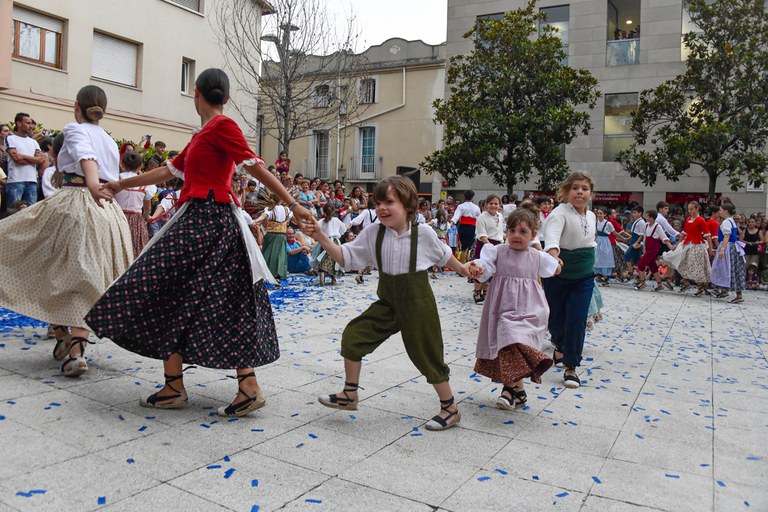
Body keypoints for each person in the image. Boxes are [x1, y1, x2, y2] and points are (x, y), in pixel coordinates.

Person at [86, 68, 313, 417]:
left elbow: (254, 167)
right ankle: (188, 385)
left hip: (209, 220)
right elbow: (169, 172)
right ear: (227, 96)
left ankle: (208, 386)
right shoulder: (202, 135)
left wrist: (293, 204)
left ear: (196, 93)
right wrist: (120, 185)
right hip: (201, 220)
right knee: (190, 295)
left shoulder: (223, 127)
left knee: (172, 289)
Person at [311, 176, 471, 431]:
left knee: (426, 353)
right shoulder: (373, 232)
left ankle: (450, 408)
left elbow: (445, 256)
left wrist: (464, 269)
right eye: (377, 203)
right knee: (353, 336)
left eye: (389, 202)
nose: (381, 208)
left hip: (418, 302)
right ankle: (349, 395)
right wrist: (321, 236)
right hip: (388, 300)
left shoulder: (424, 233)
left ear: (408, 206)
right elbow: (345, 257)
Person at [0, 86, 133, 377]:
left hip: (79, 202)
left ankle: (71, 343)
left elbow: (87, 158)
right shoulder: (109, 140)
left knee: (51, 265)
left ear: (77, 106)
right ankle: (70, 340)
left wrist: (93, 184)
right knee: (86, 275)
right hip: (109, 213)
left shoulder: (75, 129)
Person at [468, 209, 559, 409]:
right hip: (502, 308)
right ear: (505, 232)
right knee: (507, 341)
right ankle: (516, 390)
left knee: (514, 343)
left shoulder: (536, 256)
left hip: (530, 309)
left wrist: (557, 263)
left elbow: (553, 268)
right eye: (512, 230)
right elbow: (486, 265)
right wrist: (479, 267)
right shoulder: (498, 251)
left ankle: (509, 389)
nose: (516, 235)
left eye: (523, 231)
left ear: (533, 235)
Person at [540, 171, 596, 389]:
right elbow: (551, 240)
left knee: (577, 318)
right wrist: (554, 257)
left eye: (584, 188)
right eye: (575, 188)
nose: (580, 192)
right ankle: (560, 345)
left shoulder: (590, 216)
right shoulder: (558, 213)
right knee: (556, 318)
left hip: (584, 276)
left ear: (590, 193)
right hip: (558, 274)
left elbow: (590, 242)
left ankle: (571, 366)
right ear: (566, 191)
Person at [664, 202, 712, 296]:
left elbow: (707, 235)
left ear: (697, 208)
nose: (690, 211)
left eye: (692, 209)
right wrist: (678, 244)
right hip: (687, 244)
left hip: (697, 245)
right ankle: (686, 282)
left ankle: (700, 287)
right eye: (689, 209)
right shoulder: (688, 219)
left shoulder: (701, 220)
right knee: (680, 261)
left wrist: (710, 248)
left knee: (696, 265)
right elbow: (684, 233)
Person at [115, 150, 156, 258]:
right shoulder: (145, 185)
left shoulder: (115, 179)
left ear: (122, 164)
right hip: (136, 221)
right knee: (135, 250)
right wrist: (145, 218)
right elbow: (147, 209)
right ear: (140, 166)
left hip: (115, 217)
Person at [5, 112, 45, 208]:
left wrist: (22, 155)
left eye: (31, 123)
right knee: (13, 211)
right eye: (27, 123)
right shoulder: (11, 138)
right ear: (18, 124)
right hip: (16, 180)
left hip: (32, 180)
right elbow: (16, 159)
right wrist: (34, 160)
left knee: (31, 212)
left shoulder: (34, 142)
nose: (30, 126)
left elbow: (40, 160)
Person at [471, 194, 504, 303]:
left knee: (491, 270)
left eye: (496, 203)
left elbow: (500, 232)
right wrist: (490, 247)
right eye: (491, 203)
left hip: (497, 244)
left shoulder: (500, 216)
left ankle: (486, 292)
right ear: (486, 205)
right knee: (480, 269)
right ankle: (476, 292)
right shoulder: (482, 217)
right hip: (484, 244)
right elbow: (482, 235)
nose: (493, 206)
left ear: (499, 205)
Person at [711, 203, 745, 303]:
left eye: (721, 210)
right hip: (733, 247)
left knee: (727, 269)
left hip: (728, 247)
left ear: (726, 211)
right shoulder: (731, 221)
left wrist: (722, 249)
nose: (719, 212)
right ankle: (725, 290)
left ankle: (736, 294)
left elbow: (727, 236)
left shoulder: (726, 222)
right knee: (730, 269)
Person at [634, 210, 674, 291]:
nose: (645, 218)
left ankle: (642, 282)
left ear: (652, 218)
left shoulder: (657, 226)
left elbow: (664, 238)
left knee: (641, 265)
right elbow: (645, 238)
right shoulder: (646, 226)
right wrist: (641, 245)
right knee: (653, 266)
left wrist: (671, 247)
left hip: (653, 249)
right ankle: (659, 284)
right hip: (648, 249)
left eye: (647, 216)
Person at [260, 192, 292, 284]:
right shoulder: (286, 209)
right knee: (279, 255)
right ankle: (277, 274)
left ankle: (268, 273)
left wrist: (256, 221)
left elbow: (264, 216)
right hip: (281, 235)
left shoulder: (270, 209)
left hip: (271, 235)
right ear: (281, 200)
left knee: (269, 255)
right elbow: (292, 218)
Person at [311, 203, 346, 285]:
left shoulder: (321, 221)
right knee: (334, 259)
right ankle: (333, 277)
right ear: (333, 211)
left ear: (324, 211)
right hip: (335, 241)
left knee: (324, 257)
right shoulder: (337, 220)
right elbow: (343, 229)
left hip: (325, 241)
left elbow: (316, 229)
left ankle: (322, 272)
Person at [451, 190, 481, 263]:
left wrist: (452, 222)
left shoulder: (461, 206)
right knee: (465, 248)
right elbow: (480, 218)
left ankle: (464, 264)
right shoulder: (476, 207)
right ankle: (461, 266)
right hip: (471, 228)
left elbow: (456, 216)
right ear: (473, 197)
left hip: (462, 227)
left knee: (464, 247)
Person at [622, 206, 645, 282]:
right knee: (637, 261)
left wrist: (636, 243)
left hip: (636, 241)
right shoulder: (636, 221)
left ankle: (631, 272)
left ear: (640, 213)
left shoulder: (641, 222)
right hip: (634, 239)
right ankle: (640, 278)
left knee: (626, 256)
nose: (633, 214)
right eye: (633, 212)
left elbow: (641, 235)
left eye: (635, 212)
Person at [593, 208, 616, 286]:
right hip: (598, 241)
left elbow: (614, 232)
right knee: (597, 258)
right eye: (598, 213)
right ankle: (599, 275)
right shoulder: (596, 223)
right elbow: (595, 234)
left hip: (605, 242)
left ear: (605, 214)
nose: (599, 215)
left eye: (601, 213)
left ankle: (606, 279)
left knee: (605, 259)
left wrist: (623, 238)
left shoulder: (608, 223)